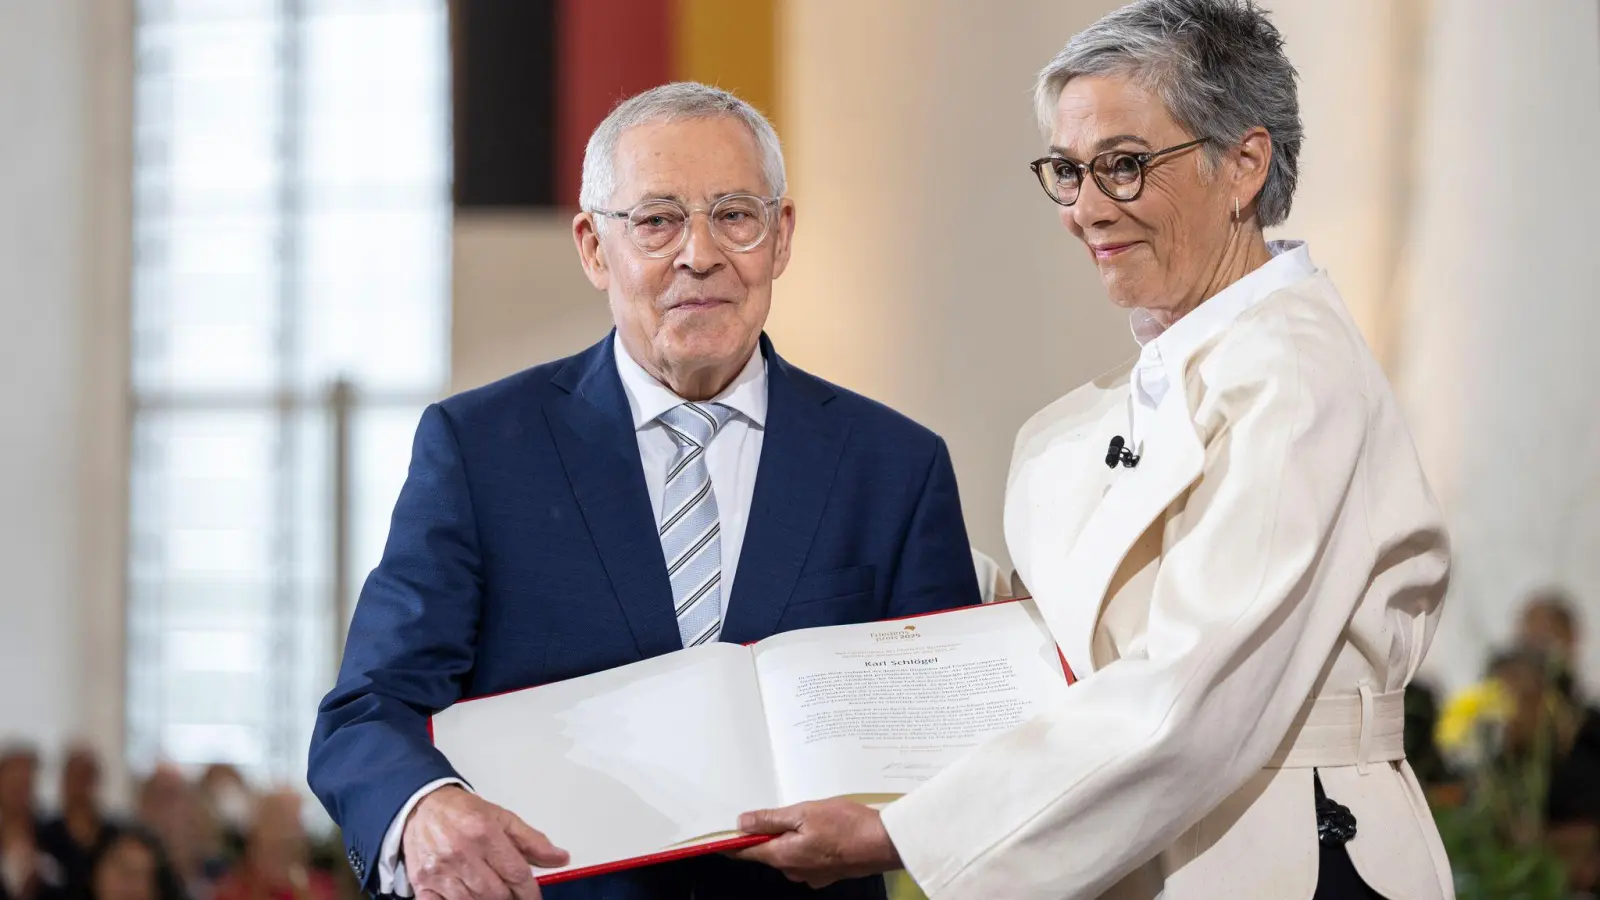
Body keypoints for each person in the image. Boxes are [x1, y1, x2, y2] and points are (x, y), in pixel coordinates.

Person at [730, 2, 1454, 898]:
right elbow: (1061, 637)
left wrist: (902, 832)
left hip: (1292, 855)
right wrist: (853, 528)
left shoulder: (1296, 378)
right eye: (1067, 172)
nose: (1084, 210)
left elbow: (1195, 697)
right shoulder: (1094, 415)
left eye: (1122, 166)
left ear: (1245, 164)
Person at [307, 81, 982, 900]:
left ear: (781, 236)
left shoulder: (894, 467)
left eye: (735, 214)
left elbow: (955, 751)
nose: (700, 253)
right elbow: (367, 708)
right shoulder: (481, 450)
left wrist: (894, 829)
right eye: (657, 220)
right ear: (595, 247)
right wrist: (422, 809)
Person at [37, 746, 113, 900]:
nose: (79, 786)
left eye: (85, 777)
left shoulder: (115, 836)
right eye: (74, 777)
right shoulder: (44, 834)